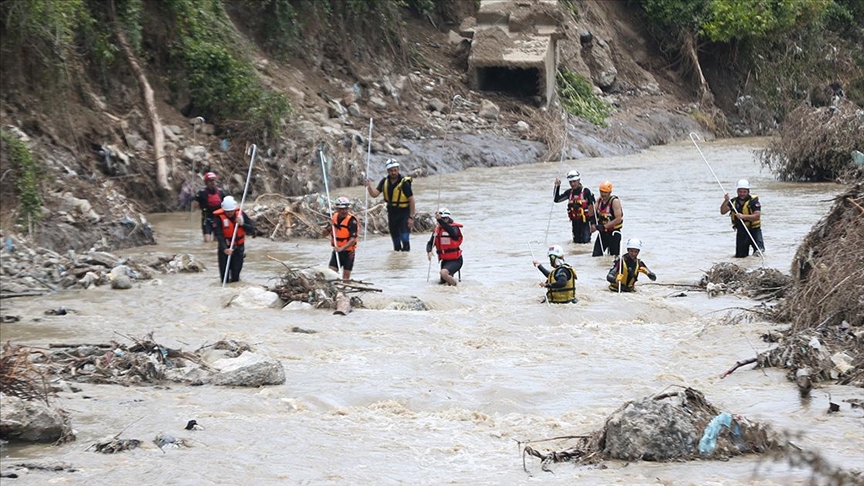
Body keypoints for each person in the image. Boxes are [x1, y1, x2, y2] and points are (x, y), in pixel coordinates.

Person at [365, 158, 415, 251]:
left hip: (404, 213)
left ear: (398, 170)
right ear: (388, 171)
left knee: (405, 239)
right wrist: (369, 187)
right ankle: (397, 262)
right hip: (392, 213)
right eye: (391, 171)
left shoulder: (404, 183)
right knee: (396, 242)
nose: (393, 172)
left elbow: (411, 200)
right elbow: (374, 194)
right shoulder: (384, 181)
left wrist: (411, 217)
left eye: (395, 170)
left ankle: (405, 260)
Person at [212, 196, 256, 283]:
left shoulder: (241, 215)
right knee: (224, 279)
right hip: (224, 249)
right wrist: (225, 248)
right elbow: (219, 235)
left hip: (238, 248)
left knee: (235, 277)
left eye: (231, 211)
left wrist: (242, 224)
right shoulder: (218, 218)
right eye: (227, 211)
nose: (229, 213)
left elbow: (252, 229)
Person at [720, 179, 765, 258]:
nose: (742, 194)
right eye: (740, 191)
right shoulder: (733, 202)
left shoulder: (753, 202)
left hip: (754, 230)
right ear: (737, 191)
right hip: (741, 232)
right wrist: (726, 201)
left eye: (744, 192)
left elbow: (757, 216)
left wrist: (743, 216)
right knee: (740, 257)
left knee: (759, 253)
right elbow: (723, 211)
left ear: (748, 191)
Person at [553, 170, 595, 244]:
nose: (572, 184)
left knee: (585, 242)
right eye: (570, 182)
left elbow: (594, 207)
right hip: (575, 222)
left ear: (579, 180)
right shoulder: (569, 192)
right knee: (576, 242)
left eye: (574, 181)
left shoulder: (586, 191)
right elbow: (556, 200)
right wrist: (557, 186)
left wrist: (593, 224)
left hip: (585, 222)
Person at [426, 208, 463, 286]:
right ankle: (449, 292)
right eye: (439, 220)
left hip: (456, 260)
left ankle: (456, 287)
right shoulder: (437, 230)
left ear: (447, 218)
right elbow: (430, 243)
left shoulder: (454, 228)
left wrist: (440, 220)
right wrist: (429, 251)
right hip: (445, 261)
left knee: (443, 273)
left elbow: (451, 231)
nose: (439, 222)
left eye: (442, 219)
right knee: (442, 282)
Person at [325, 197, 358, 282]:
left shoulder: (352, 221)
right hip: (337, 252)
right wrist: (329, 227)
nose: (344, 211)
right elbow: (323, 234)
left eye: (346, 209)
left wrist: (341, 249)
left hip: (348, 253)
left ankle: (345, 291)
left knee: (345, 278)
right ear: (337, 209)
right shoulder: (333, 218)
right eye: (342, 209)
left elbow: (352, 240)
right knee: (331, 275)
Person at [591, 180, 623, 257]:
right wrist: (593, 225)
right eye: (601, 192)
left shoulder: (614, 201)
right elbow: (593, 214)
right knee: (596, 255)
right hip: (603, 233)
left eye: (605, 192)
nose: (603, 194)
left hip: (613, 233)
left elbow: (618, 219)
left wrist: (604, 227)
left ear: (610, 192)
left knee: (613, 257)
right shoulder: (599, 201)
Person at [193, 172, 226, 242]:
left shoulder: (221, 192)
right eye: (210, 180)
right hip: (206, 219)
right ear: (206, 182)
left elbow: (225, 205)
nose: (212, 182)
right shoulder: (201, 193)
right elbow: (195, 205)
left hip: (218, 219)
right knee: (207, 241)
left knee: (217, 241)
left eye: (213, 180)